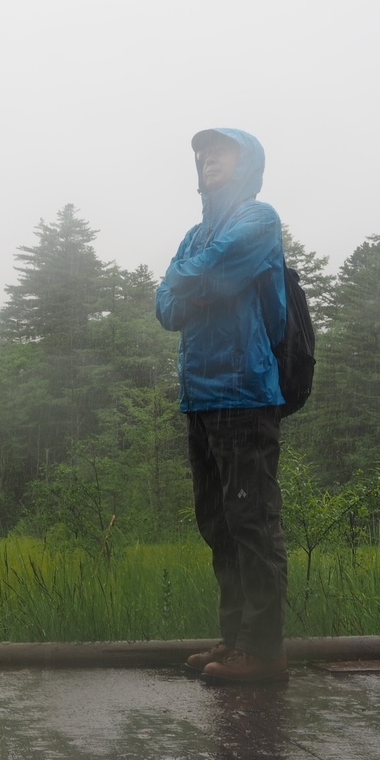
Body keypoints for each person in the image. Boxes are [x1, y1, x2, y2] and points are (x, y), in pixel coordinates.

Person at [154, 128, 289, 684]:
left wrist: (196, 280)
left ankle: (263, 650)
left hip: (245, 390)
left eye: (221, 150)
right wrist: (199, 281)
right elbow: (165, 305)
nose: (208, 159)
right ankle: (235, 641)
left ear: (246, 161)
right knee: (218, 523)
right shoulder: (195, 233)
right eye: (202, 153)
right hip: (199, 396)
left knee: (251, 520)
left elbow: (206, 271)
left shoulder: (258, 219)